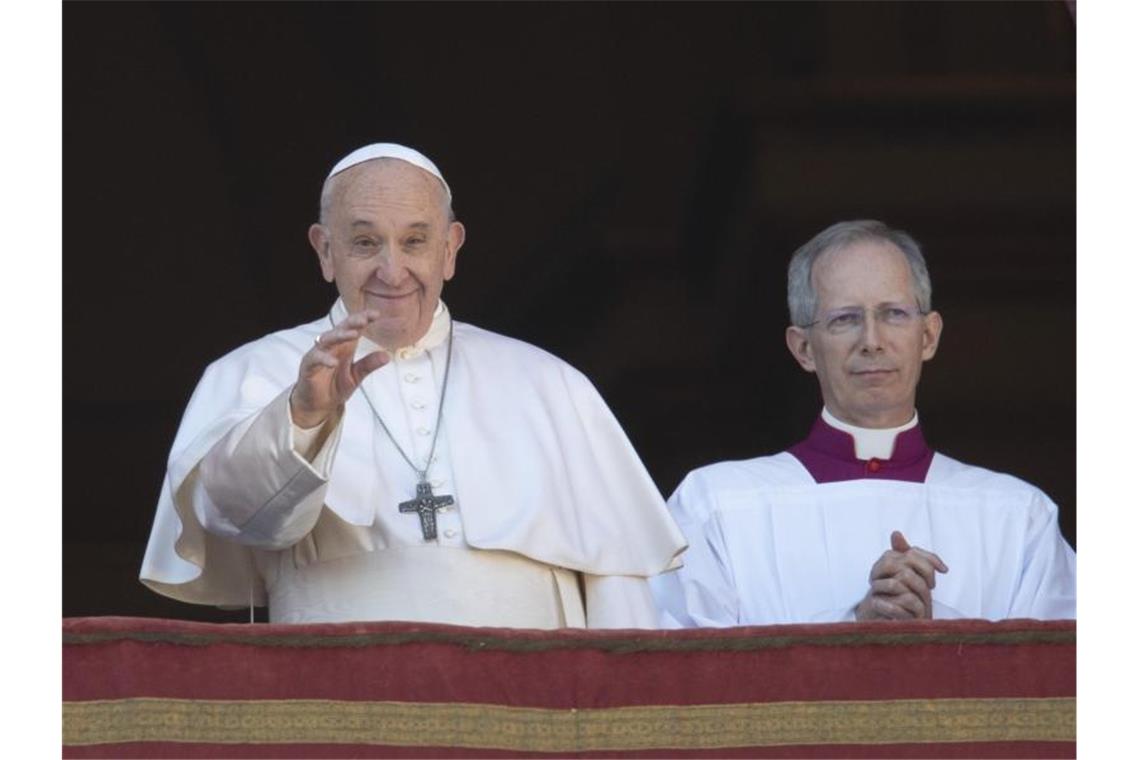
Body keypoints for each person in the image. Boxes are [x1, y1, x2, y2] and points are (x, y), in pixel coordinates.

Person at [141, 143, 686, 628]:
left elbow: (620, 581)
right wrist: (302, 417)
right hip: (337, 713)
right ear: (324, 251)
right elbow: (236, 518)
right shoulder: (253, 372)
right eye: (364, 242)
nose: (392, 271)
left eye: (415, 241)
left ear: (450, 248)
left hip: (530, 721)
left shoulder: (550, 385)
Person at [650, 220, 1075, 626]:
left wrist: (933, 630)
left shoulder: (1018, 518)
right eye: (845, 319)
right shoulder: (716, 507)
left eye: (893, 314)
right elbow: (684, 678)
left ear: (928, 336)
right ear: (803, 349)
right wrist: (857, 626)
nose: (872, 341)